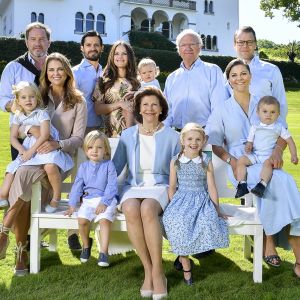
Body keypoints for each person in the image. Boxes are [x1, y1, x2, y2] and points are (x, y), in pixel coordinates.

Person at [206, 58, 300, 274]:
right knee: (278, 183)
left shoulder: (265, 102)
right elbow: (215, 142)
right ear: (228, 80)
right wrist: (230, 160)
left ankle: (284, 246)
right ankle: (276, 244)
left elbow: (282, 132)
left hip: (267, 160)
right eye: (234, 75)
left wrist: (277, 151)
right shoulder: (222, 109)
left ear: (250, 76)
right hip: (241, 166)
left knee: (284, 181)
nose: (239, 78)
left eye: (243, 73)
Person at [0, 52, 87, 276]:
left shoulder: (78, 101)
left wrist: (56, 144)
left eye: (59, 69)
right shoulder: (38, 97)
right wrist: (33, 130)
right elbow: (19, 125)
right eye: (51, 70)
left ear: (67, 72)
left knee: (23, 177)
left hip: (57, 159)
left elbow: (78, 139)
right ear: (46, 74)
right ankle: (19, 249)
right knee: (21, 176)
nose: (55, 73)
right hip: (33, 155)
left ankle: (7, 235)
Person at [113, 87, 180, 298]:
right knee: (132, 208)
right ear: (139, 109)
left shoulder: (173, 136)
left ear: (161, 109)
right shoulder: (127, 135)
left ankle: (159, 271)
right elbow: (115, 167)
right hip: (133, 186)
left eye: (154, 105)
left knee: (148, 208)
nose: (149, 109)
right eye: (145, 105)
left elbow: (180, 170)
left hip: (160, 186)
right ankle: (148, 269)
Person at [163, 123, 229, 286]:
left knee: (207, 220)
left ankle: (182, 256)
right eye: (190, 139)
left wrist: (217, 209)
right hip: (181, 199)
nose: (194, 142)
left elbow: (212, 186)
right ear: (183, 140)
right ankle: (186, 267)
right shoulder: (176, 161)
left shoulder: (205, 161)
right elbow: (172, 187)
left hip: (200, 199)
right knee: (176, 220)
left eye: (198, 139)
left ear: (203, 141)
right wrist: (173, 205)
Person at [0, 81, 73, 212]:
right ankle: (3, 196)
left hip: (44, 146)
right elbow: (13, 137)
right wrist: (22, 150)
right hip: (28, 149)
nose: (28, 100)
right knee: (12, 169)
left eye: (32, 96)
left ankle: (56, 196)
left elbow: (45, 135)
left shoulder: (41, 113)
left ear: (37, 98)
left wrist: (30, 152)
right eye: (23, 97)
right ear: (18, 100)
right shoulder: (18, 116)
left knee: (50, 167)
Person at [64, 131, 118, 267]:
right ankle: (86, 245)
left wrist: (104, 202)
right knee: (82, 220)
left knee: (105, 221)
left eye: (99, 147)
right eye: (90, 147)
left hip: (106, 199)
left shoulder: (108, 165)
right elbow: (77, 187)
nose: (95, 151)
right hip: (88, 200)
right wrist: (72, 205)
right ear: (85, 150)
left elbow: (112, 186)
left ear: (105, 150)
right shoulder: (83, 167)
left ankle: (104, 252)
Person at [0, 22, 51, 159]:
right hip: (22, 132)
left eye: (41, 39)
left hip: (52, 132)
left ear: (49, 42)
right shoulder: (13, 67)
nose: (37, 43)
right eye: (33, 39)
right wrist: (21, 108)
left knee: (50, 175)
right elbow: (2, 99)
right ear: (26, 42)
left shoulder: (56, 67)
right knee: (21, 176)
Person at [235, 96, 298, 198]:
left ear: (278, 114)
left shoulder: (279, 127)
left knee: (268, 164)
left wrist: (294, 155)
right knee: (241, 160)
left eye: (273, 112)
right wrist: (248, 146)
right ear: (258, 112)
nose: (268, 115)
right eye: (265, 111)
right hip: (255, 154)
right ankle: (242, 184)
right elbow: (249, 141)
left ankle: (262, 185)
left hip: (268, 156)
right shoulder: (255, 127)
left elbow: (290, 141)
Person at [164, 29, 227, 130]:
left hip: (204, 134)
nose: (188, 48)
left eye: (192, 44)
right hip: (177, 136)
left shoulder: (212, 71)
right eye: (183, 45)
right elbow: (167, 110)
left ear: (200, 47)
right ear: (178, 49)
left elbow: (218, 107)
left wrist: (209, 135)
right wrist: (165, 132)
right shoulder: (171, 78)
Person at [229, 26, 287, 126]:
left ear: (255, 44)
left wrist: (282, 133)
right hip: (235, 134)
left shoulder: (272, 70)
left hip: (265, 134)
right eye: (240, 42)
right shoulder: (228, 72)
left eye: (249, 42)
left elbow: (281, 104)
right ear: (235, 45)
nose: (245, 45)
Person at [93, 40, 140, 137]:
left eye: (124, 54)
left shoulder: (138, 81)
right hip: (111, 134)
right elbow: (98, 109)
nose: (120, 57)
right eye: (116, 53)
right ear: (112, 56)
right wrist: (120, 104)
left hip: (133, 133)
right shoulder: (103, 80)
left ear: (129, 57)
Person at [73, 30, 104, 134]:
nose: (92, 48)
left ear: (101, 48)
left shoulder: (104, 73)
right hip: (82, 129)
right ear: (82, 48)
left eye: (96, 45)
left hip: (103, 127)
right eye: (88, 45)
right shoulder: (74, 73)